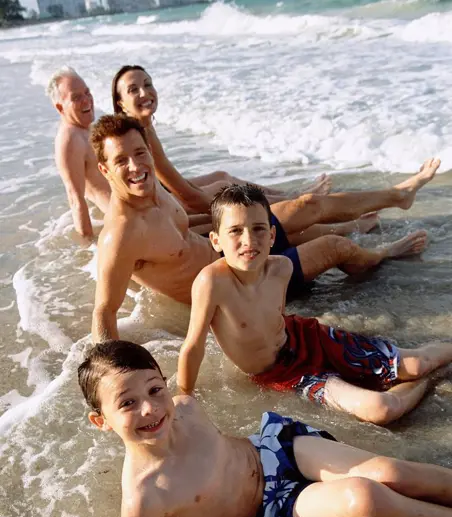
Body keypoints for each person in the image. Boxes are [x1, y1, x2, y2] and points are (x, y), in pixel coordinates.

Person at [79, 340, 452, 517]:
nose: (150, 409)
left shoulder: (187, 409)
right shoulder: (144, 497)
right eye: (128, 403)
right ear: (101, 421)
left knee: (389, 473)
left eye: (155, 389)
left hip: (274, 448)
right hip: (273, 506)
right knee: (365, 498)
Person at [89, 114, 438, 344]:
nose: (135, 166)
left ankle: (399, 194)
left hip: (236, 244)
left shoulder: (154, 195)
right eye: (121, 160)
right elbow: (104, 311)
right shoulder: (120, 235)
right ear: (105, 170)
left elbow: (185, 227)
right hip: (242, 282)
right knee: (334, 247)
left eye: (139, 153)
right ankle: (380, 254)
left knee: (306, 206)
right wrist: (111, 378)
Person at [177, 183, 452, 425]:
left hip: (309, 339)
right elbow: (193, 346)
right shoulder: (212, 282)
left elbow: (278, 319)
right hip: (286, 374)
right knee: (382, 409)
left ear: (272, 236)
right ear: (216, 240)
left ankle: (430, 368)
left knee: (417, 363)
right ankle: (432, 379)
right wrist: (184, 399)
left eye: (258, 229)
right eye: (235, 231)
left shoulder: (281, 267)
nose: (249, 240)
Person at [111, 63, 333, 214]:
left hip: (161, 195)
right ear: (121, 103)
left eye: (148, 84)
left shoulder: (143, 126)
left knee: (221, 175)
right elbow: (183, 193)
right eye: (133, 90)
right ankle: (291, 202)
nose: (144, 92)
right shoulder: (138, 137)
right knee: (224, 186)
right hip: (160, 206)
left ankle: (289, 195)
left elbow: (172, 181)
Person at [47, 67, 111, 241]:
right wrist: (90, 247)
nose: (86, 100)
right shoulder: (70, 139)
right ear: (60, 107)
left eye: (87, 92)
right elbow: (75, 199)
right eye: (76, 97)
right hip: (127, 215)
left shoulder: (86, 129)